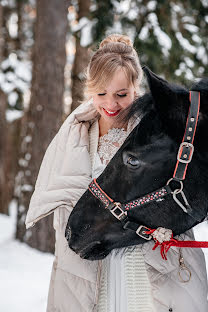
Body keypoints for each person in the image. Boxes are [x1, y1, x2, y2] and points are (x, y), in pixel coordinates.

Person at [25, 34, 208, 312]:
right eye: (101, 94)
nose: (111, 104)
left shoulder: (153, 134)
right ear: (90, 90)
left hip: (145, 266)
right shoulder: (73, 137)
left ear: (136, 88)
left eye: (121, 94)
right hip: (92, 267)